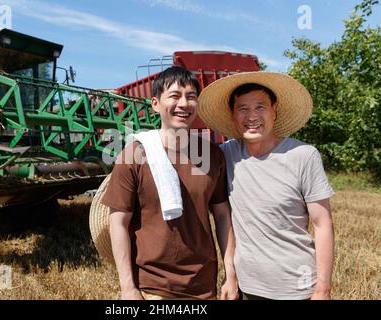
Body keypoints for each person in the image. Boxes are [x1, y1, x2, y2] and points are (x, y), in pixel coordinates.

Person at [100, 66, 239, 300]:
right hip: (151, 288)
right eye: (174, 96)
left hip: (204, 286)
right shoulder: (133, 156)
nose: (184, 103)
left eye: (191, 96)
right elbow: (118, 224)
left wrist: (231, 274)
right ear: (155, 104)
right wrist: (128, 288)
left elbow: (223, 216)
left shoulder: (213, 155)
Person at [198, 72, 335, 300]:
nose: (252, 116)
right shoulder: (226, 155)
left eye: (260, 107)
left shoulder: (303, 155)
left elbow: (323, 224)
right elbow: (182, 154)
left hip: (296, 288)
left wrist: (323, 289)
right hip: (247, 287)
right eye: (242, 108)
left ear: (274, 109)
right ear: (232, 115)